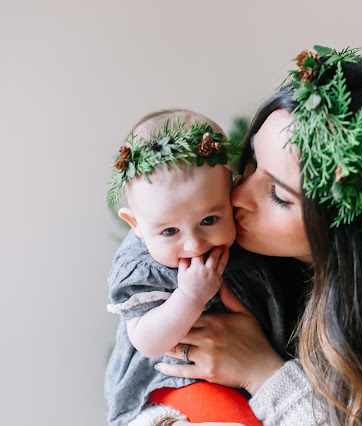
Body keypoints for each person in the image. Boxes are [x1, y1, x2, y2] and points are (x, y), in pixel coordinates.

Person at [141, 47, 362, 426]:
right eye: (253, 162)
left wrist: (264, 374)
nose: (238, 196)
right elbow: (134, 387)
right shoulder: (200, 227)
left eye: (278, 195)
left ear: (347, 229)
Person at [104, 110, 291, 426]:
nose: (194, 244)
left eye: (208, 220)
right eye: (169, 232)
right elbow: (147, 341)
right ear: (135, 224)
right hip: (169, 386)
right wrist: (189, 296)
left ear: (230, 195)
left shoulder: (249, 242)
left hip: (248, 381)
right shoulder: (142, 268)